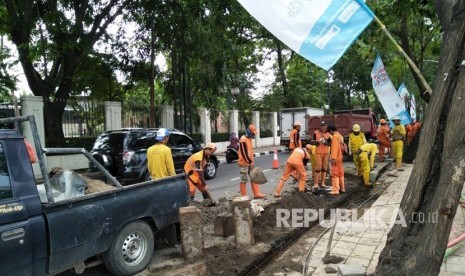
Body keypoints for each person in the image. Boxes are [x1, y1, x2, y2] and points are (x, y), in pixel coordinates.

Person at [238, 124, 266, 199]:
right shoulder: (243, 139)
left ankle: (256, 193)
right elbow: (244, 153)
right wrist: (249, 162)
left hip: (249, 163)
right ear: (249, 131)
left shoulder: (249, 139)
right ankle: (243, 196)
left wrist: (251, 162)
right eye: (253, 132)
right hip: (244, 164)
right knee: (243, 179)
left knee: (254, 178)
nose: (254, 134)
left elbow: (249, 152)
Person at [310, 121, 331, 190]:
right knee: (318, 168)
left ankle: (322, 183)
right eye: (321, 125)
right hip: (318, 152)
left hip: (326, 153)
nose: (322, 127)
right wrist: (317, 142)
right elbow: (312, 142)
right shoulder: (316, 133)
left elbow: (329, 144)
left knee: (324, 168)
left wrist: (324, 142)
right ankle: (316, 184)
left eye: (324, 125)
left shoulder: (328, 134)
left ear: (326, 126)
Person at [327, 125, 345, 195]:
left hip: (336, 157)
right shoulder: (339, 136)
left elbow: (334, 148)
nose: (329, 133)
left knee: (335, 173)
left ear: (331, 130)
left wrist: (333, 158)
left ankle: (335, 190)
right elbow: (342, 147)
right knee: (341, 173)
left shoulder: (334, 137)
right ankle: (342, 188)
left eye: (329, 131)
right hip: (340, 156)